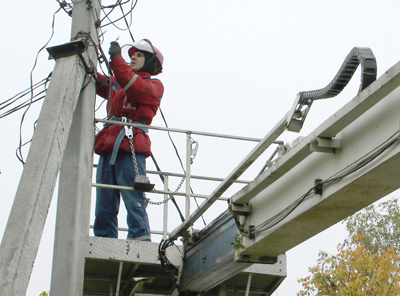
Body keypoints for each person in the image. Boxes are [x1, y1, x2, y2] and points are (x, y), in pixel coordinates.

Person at [93, 39, 164, 241]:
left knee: (133, 197)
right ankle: (104, 237)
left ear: (150, 62)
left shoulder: (153, 85)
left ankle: (140, 237)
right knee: (104, 198)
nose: (133, 57)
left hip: (130, 144)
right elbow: (101, 82)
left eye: (139, 55)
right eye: (132, 54)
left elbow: (133, 86)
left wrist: (116, 60)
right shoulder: (120, 82)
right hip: (109, 145)